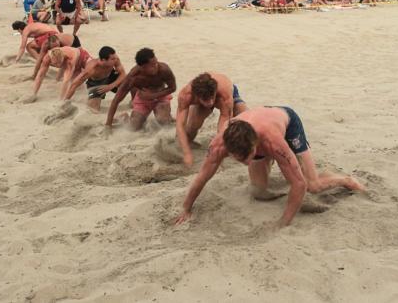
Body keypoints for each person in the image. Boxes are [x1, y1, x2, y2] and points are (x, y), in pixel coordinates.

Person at [174, 107, 365, 228]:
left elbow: (298, 185)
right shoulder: (218, 145)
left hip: (288, 124)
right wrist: (186, 208)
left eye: (248, 158)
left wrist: (283, 223)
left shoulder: (273, 142)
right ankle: (287, 168)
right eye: (240, 160)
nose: (247, 163)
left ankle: (345, 180)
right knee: (258, 191)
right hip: (255, 129)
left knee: (311, 185)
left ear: (255, 145)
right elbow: (202, 177)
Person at [176, 72, 248, 167]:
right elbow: (180, 125)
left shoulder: (224, 93)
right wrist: (187, 153)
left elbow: (224, 121)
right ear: (197, 96)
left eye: (211, 98)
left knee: (245, 119)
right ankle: (184, 145)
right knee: (192, 126)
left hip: (227, 93)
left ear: (214, 92)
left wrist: (218, 148)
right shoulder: (186, 95)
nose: (210, 102)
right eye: (206, 100)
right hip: (204, 96)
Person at [105, 47, 176, 130]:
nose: (156, 66)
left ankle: (168, 117)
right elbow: (116, 100)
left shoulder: (164, 69)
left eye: (156, 62)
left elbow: (173, 88)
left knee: (164, 123)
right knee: (133, 128)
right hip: (142, 99)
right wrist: (108, 125)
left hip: (161, 97)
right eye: (152, 66)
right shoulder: (133, 77)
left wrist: (153, 95)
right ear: (142, 67)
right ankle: (125, 117)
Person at [64, 46, 127, 111]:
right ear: (103, 60)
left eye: (115, 57)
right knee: (93, 110)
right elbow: (74, 85)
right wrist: (64, 102)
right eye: (112, 59)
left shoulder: (115, 59)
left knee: (131, 81)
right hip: (95, 84)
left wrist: (111, 86)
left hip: (111, 77)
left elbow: (123, 74)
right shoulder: (91, 68)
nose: (115, 59)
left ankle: (134, 105)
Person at [27, 45, 92, 102]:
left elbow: (66, 80)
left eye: (59, 63)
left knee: (91, 70)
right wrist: (34, 93)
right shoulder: (47, 58)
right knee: (79, 87)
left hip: (82, 56)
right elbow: (40, 75)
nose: (58, 65)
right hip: (71, 62)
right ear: (51, 59)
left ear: (63, 58)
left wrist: (61, 99)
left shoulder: (70, 59)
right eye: (55, 64)